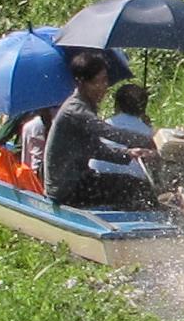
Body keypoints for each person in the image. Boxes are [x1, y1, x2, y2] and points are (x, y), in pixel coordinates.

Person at [40, 51, 156, 209]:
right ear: (80, 83)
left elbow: (95, 149)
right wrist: (150, 140)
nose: (104, 87)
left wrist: (129, 154)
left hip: (81, 179)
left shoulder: (87, 105)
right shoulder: (75, 110)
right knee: (136, 188)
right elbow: (108, 131)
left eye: (105, 80)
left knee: (136, 185)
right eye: (97, 82)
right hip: (66, 189)